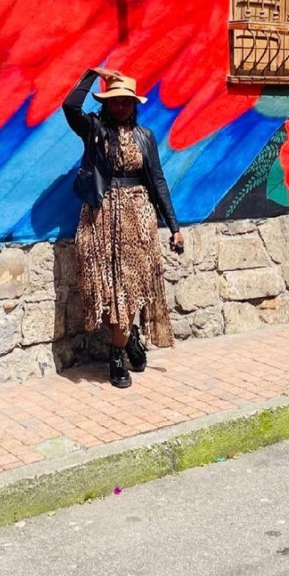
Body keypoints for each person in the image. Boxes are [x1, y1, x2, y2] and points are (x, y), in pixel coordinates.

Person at [63, 67, 184, 388]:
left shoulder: (145, 136)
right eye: (115, 101)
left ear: (134, 104)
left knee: (130, 288)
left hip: (136, 217)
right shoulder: (93, 128)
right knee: (102, 287)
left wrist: (174, 226)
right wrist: (89, 73)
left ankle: (118, 353)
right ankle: (127, 339)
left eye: (126, 102)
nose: (120, 107)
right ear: (106, 103)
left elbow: (157, 181)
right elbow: (70, 107)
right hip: (99, 216)